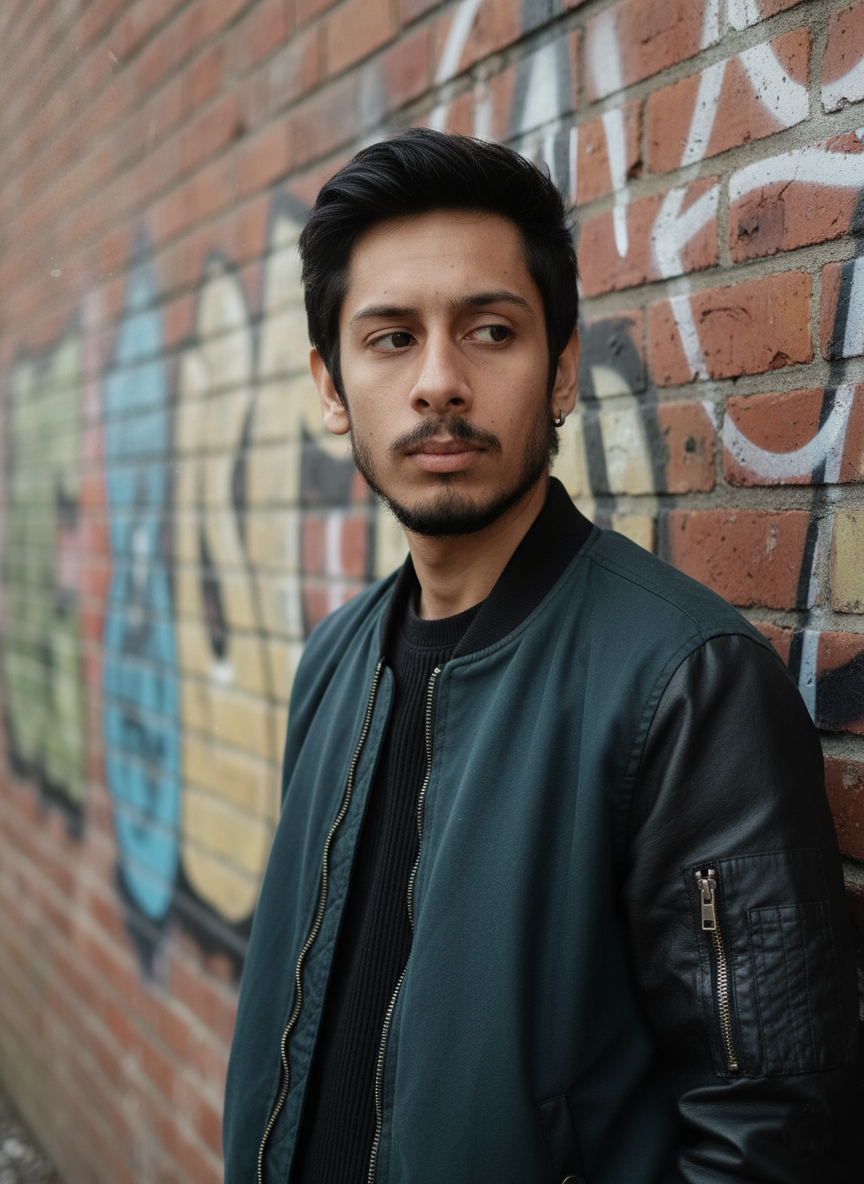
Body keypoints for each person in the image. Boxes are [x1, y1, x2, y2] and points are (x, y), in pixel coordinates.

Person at [222, 129, 863, 1184]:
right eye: (389, 338)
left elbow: (771, 1135)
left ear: (561, 368)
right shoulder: (333, 660)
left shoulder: (687, 684)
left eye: (489, 330)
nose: (438, 382)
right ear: (331, 386)